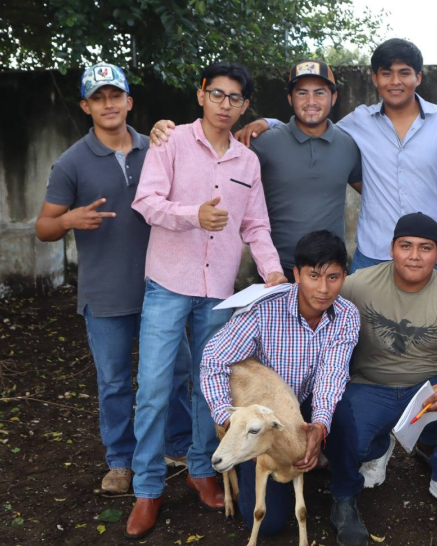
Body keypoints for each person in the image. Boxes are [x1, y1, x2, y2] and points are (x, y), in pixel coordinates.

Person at [126, 62, 287, 539]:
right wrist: (191, 215)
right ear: (201, 95)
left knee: (209, 387)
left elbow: (255, 225)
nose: (225, 105)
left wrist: (272, 270)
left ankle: (201, 469)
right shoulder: (170, 142)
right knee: (153, 389)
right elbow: (146, 202)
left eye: (235, 98)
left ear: (245, 106)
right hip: (168, 283)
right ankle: (148, 488)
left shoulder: (247, 161)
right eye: (216, 94)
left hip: (218, 291)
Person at [34, 63, 192, 495]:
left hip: (164, 285)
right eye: (98, 98)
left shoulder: (157, 147)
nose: (109, 104)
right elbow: (43, 228)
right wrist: (68, 219)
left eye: (115, 96)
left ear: (129, 102)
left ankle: (178, 445)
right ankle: (120, 460)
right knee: (116, 381)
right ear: (86, 106)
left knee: (177, 372)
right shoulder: (71, 163)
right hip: (105, 293)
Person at [219, 38, 437, 282]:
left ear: (418, 77)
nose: (395, 81)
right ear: (374, 78)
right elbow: (314, 124)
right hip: (373, 254)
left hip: (429, 253)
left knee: (430, 330)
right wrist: (270, 123)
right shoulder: (358, 122)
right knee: (362, 331)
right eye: (386, 73)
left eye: (404, 73)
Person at [326, 212, 437, 546]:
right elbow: (318, 304)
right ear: (392, 248)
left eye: (425, 248)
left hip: (427, 389)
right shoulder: (358, 284)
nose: (414, 255)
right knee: (343, 437)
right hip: (370, 385)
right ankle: (379, 446)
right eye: (405, 246)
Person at [199, 230, 360, 537]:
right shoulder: (264, 309)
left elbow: (332, 374)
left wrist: (320, 425)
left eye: (333, 277)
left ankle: (345, 496)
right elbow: (214, 359)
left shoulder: (347, 316)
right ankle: (264, 465)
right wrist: (228, 418)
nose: (324, 289)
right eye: (314, 276)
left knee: (345, 411)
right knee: (268, 523)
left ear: (344, 276)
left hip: (308, 400)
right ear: (296, 274)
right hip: (262, 411)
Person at [149, 59, 363, 280]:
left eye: (320, 93)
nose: (311, 101)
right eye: (302, 93)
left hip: (330, 272)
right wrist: (164, 133)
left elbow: (371, 192)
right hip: (276, 270)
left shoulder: (349, 145)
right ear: (290, 98)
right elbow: (214, 153)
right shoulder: (263, 142)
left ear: (334, 97)